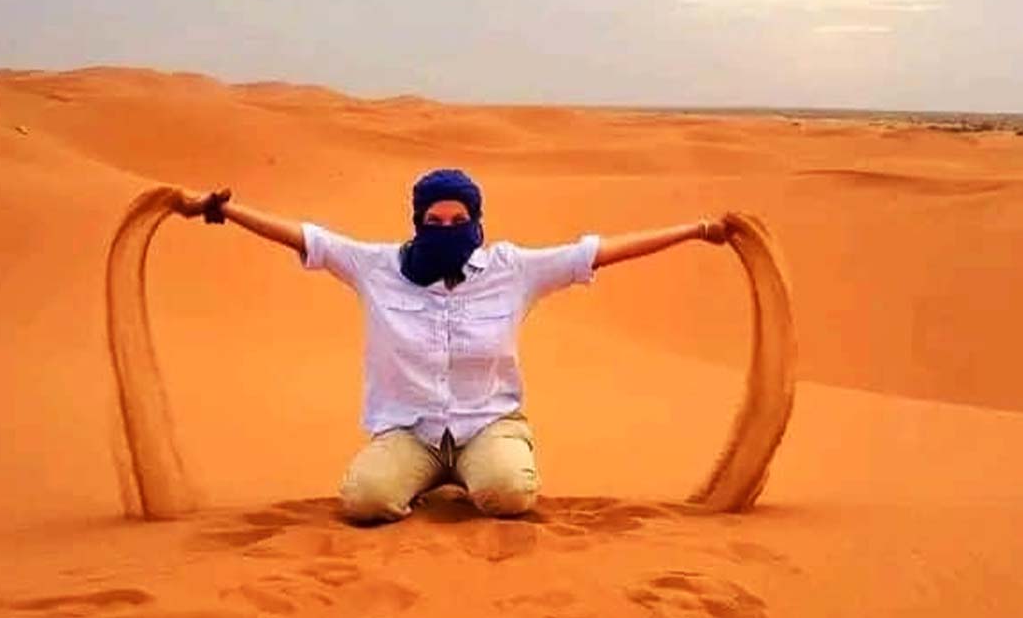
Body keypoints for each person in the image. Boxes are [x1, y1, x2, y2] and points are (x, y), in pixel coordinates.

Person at [176, 168, 729, 523]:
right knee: (365, 502)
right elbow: (306, 238)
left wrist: (697, 230)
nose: (447, 228)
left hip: (486, 423)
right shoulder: (376, 266)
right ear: (417, 222)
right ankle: (430, 477)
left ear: (477, 223)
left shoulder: (513, 270)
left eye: (459, 220)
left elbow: (599, 252)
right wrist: (220, 209)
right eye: (434, 220)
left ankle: (483, 467)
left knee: (508, 496)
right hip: (409, 431)